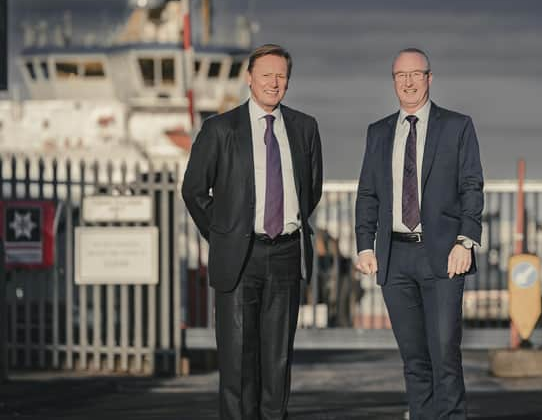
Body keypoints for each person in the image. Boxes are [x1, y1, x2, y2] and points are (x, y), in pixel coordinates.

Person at [182, 43, 323, 420]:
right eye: (266, 75)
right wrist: (226, 233)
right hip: (239, 258)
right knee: (237, 365)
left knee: (277, 364)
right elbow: (193, 190)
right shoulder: (220, 129)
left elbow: (312, 189)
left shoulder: (305, 128)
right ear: (249, 78)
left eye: (281, 76)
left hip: (287, 255)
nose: (273, 83)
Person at [355, 47, 483, 419]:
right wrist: (365, 245)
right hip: (395, 259)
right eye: (400, 76)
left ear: (429, 78)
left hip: (444, 254)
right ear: (393, 82)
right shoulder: (378, 132)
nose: (408, 82)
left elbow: (472, 185)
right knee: (414, 359)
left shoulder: (457, 126)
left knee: (444, 353)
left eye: (415, 74)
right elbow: (368, 193)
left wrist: (466, 240)